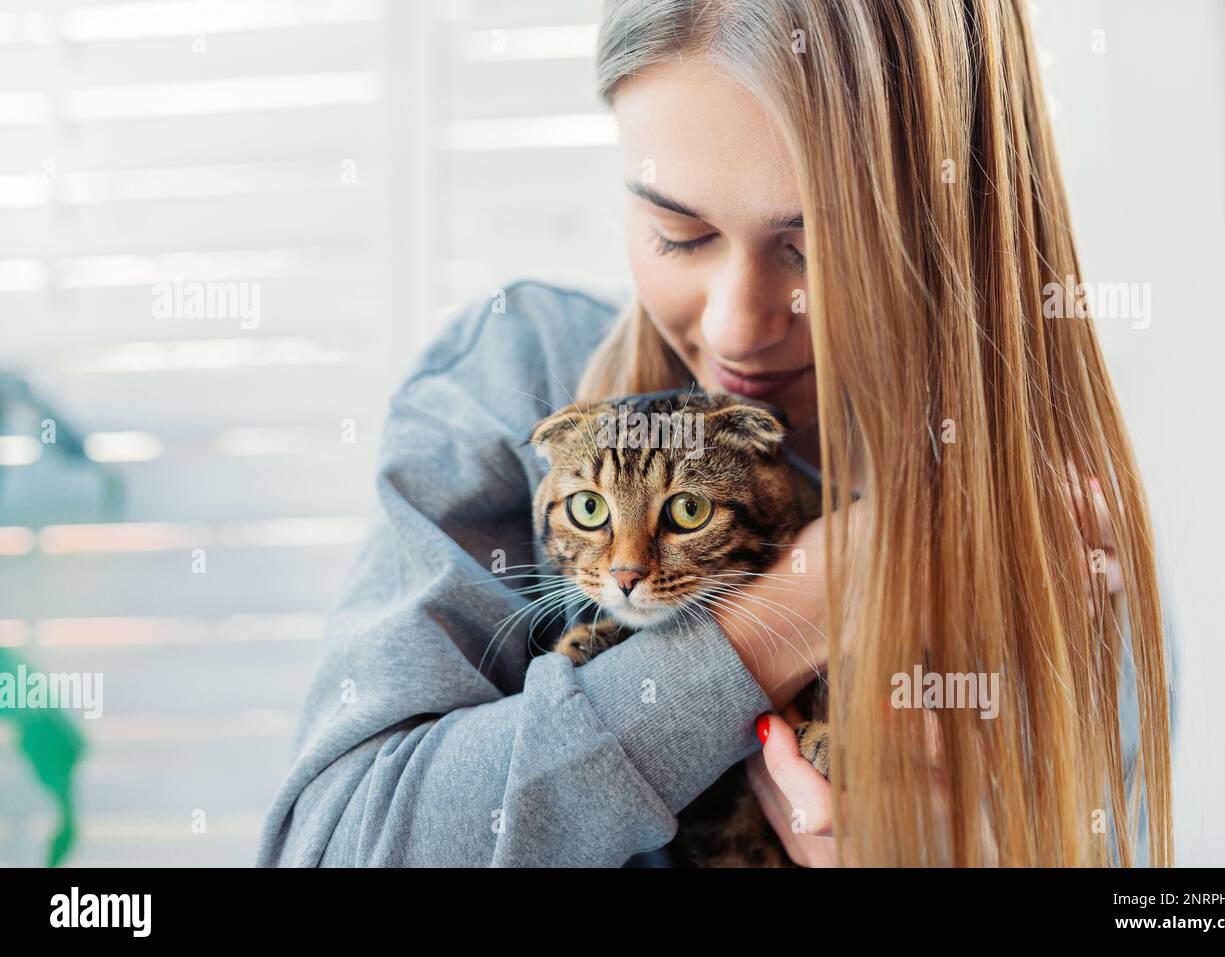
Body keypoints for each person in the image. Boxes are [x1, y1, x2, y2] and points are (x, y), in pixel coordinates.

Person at [258, 0, 1178, 868]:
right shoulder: (515, 377)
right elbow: (333, 844)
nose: (740, 329)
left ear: (958, 222)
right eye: (677, 232)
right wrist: (798, 607)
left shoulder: (1053, 514)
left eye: (817, 249)